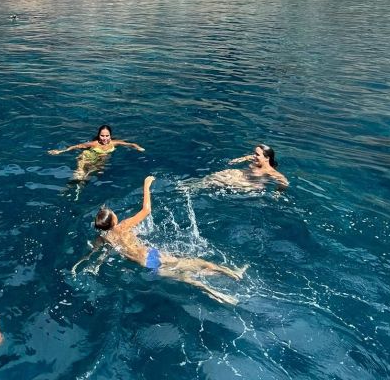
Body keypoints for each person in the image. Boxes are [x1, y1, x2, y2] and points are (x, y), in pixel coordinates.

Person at [77, 176, 247, 305]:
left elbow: (92, 253)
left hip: (145, 264)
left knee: (188, 279)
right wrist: (146, 185)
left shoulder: (104, 237)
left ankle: (215, 293)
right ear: (113, 220)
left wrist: (80, 264)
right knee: (197, 263)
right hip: (152, 254)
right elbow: (146, 209)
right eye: (113, 213)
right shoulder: (123, 225)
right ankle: (232, 274)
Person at [48, 125, 144, 183]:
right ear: (98, 135)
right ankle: (70, 186)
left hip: (99, 159)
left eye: (107, 136)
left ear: (110, 136)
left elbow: (130, 144)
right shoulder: (93, 144)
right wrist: (61, 151)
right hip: (87, 156)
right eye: (102, 135)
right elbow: (77, 146)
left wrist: (138, 147)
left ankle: (80, 185)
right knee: (79, 174)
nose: (105, 138)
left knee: (96, 173)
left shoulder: (114, 143)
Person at [198, 144, 288, 192]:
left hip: (251, 184)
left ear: (267, 158)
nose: (253, 156)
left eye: (257, 154)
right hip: (243, 174)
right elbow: (248, 157)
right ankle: (197, 184)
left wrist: (277, 193)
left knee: (215, 182)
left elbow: (284, 181)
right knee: (217, 176)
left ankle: (194, 187)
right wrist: (240, 159)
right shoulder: (258, 160)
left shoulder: (270, 171)